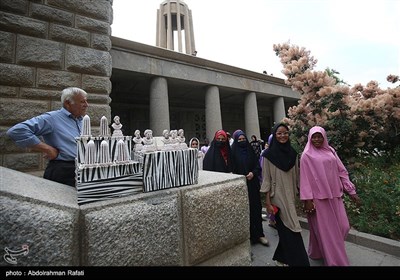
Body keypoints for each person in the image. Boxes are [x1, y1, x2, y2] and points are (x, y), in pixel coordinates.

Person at [299, 126, 361, 266]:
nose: (317, 139)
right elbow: (305, 179)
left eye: (319, 136)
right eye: (314, 136)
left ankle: (317, 251)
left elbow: (342, 171)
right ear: (310, 137)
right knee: (328, 233)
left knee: (343, 227)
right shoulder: (306, 155)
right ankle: (336, 262)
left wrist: (351, 191)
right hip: (319, 199)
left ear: (324, 137)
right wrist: (308, 200)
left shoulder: (331, 150)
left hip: (335, 196)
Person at [6, 87, 89, 187]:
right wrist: (47, 148)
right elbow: (17, 131)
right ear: (68, 103)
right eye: (82, 102)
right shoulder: (52, 118)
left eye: (86, 101)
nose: (86, 105)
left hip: (82, 169)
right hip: (63, 171)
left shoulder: (82, 120)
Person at [261, 123, 310, 266]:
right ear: (274, 136)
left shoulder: (293, 153)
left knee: (286, 228)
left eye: (285, 133)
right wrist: (268, 203)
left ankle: (281, 258)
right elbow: (267, 179)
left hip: (291, 195)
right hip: (277, 197)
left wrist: (303, 195)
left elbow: (297, 176)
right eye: (279, 133)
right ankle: (300, 262)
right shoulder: (268, 155)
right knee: (292, 227)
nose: (283, 136)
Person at [231, 130, 269, 246]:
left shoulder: (251, 151)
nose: (242, 141)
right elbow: (232, 168)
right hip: (240, 186)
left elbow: (258, 166)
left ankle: (259, 235)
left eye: (243, 139)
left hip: (252, 184)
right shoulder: (233, 153)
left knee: (256, 208)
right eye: (239, 140)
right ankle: (247, 237)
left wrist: (253, 173)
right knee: (244, 211)